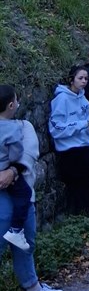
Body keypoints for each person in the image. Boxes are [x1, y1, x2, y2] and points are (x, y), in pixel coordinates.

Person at [0, 86, 65, 291]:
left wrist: (12, 171)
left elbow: (29, 153)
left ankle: (33, 288)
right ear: (11, 104)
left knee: (26, 240)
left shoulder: (23, 126)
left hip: (21, 193)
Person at [48, 65, 89, 214]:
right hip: (70, 150)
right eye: (80, 78)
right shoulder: (61, 99)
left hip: (85, 146)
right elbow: (56, 129)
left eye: (86, 78)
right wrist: (81, 125)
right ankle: (83, 214)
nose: (84, 81)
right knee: (80, 185)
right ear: (71, 80)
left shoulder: (84, 98)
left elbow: (86, 122)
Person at [0, 85, 33, 250]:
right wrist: (13, 169)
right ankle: (16, 230)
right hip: (5, 172)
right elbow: (15, 154)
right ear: (11, 105)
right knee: (25, 193)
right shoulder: (13, 128)